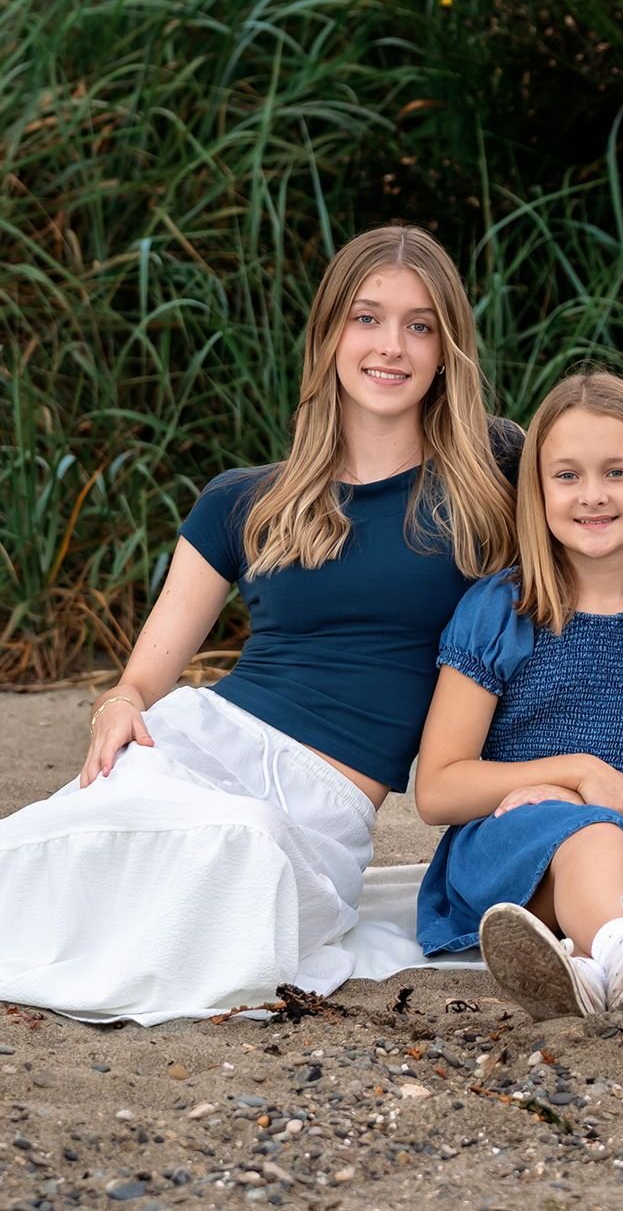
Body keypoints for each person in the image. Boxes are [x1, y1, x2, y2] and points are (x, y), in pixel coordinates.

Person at [0, 224, 521, 1025]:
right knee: (60, 845)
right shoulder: (244, 499)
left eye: (420, 325)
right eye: (366, 317)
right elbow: (146, 675)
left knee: (241, 849)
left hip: (326, 806)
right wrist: (118, 706)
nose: (392, 346)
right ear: (328, 336)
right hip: (201, 742)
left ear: (448, 349)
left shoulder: (496, 478)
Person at [414, 372, 623, 1024]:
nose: (592, 496)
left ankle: (586, 963)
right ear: (536, 489)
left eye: (616, 473)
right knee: (586, 831)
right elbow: (438, 791)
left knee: (598, 835)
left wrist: (613, 812)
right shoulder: (498, 612)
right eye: (566, 476)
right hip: (508, 855)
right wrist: (575, 778)